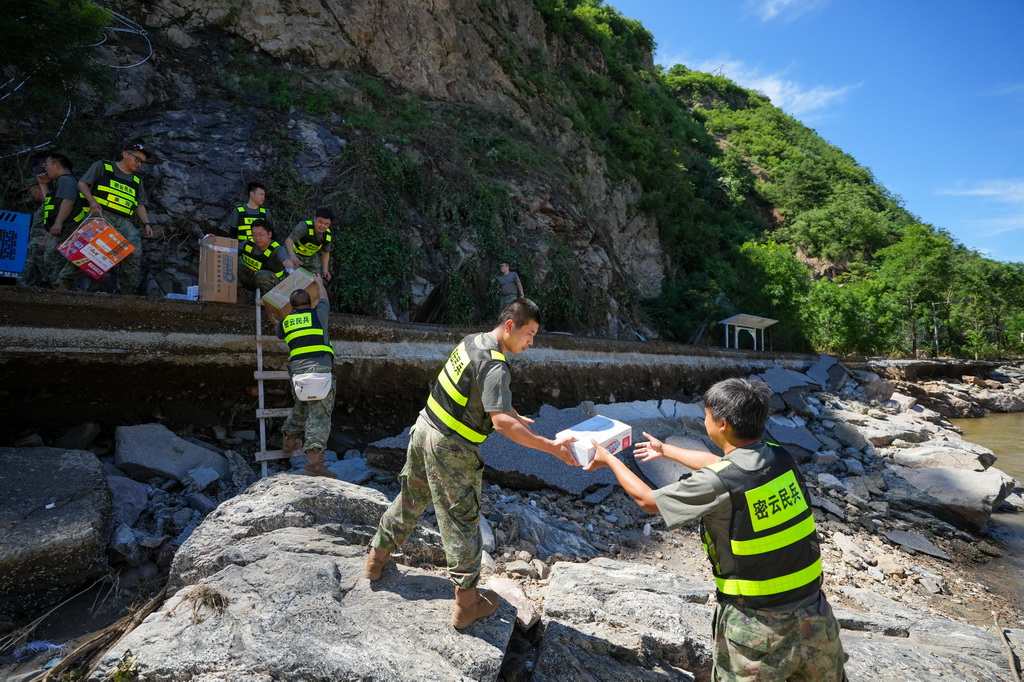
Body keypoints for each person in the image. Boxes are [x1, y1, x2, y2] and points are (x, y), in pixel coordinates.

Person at [584, 377, 847, 681]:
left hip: (758, 630)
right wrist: (665, 450)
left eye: (706, 414)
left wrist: (610, 460)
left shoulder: (720, 482)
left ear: (721, 424)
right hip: (816, 618)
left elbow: (647, 500)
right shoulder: (779, 457)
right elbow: (720, 464)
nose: (704, 418)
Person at [365, 298, 579, 630]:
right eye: (530, 334)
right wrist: (550, 447)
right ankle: (467, 605)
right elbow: (503, 424)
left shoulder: (472, 341)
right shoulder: (496, 364)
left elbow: (469, 392)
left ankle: (375, 560)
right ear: (510, 326)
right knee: (461, 521)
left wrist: (507, 410)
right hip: (450, 447)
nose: (531, 342)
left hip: (424, 430)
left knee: (410, 499)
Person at [59, 142, 155, 294]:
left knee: (134, 251)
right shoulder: (103, 166)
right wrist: (92, 201)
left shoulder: (137, 181)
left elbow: (140, 205)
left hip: (124, 221)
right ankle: (67, 282)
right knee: (87, 248)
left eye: (142, 162)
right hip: (101, 214)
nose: (140, 164)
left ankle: (128, 290)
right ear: (125, 154)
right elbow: (82, 184)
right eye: (138, 159)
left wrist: (147, 224)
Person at [277, 275, 338, 479]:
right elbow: (324, 298)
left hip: (298, 374)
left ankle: (289, 441)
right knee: (319, 415)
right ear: (310, 303)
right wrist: (319, 283)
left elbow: (277, 325)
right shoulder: (319, 314)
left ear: (292, 306)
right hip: (320, 372)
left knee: (302, 405)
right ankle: (313, 464)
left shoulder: (286, 322)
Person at [238, 219, 294, 293]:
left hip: (273, 285)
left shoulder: (277, 249)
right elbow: (232, 250)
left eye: (261, 235)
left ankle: (267, 300)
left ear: (269, 234)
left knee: (261, 275)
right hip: (252, 278)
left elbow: (286, 261)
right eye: (254, 234)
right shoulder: (249, 244)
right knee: (235, 263)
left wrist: (291, 271)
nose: (257, 238)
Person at [285, 207, 333, 279]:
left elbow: (325, 252)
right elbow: (289, 240)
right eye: (320, 222)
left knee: (317, 278)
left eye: (326, 224)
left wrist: (325, 269)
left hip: (310, 257)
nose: (322, 226)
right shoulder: (305, 226)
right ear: (315, 219)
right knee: (291, 273)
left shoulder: (327, 235)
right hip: (295, 253)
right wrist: (292, 255)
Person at [15, 184, 48, 288]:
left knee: (46, 269)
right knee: (31, 268)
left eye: (30, 192)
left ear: (39, 187)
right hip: (35, 242)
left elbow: (53, 223)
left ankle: (62, 287)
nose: (30, 196)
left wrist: (45, 239)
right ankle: (23, 288)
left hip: (41, 242)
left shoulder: (50, 203)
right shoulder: (43, 205)